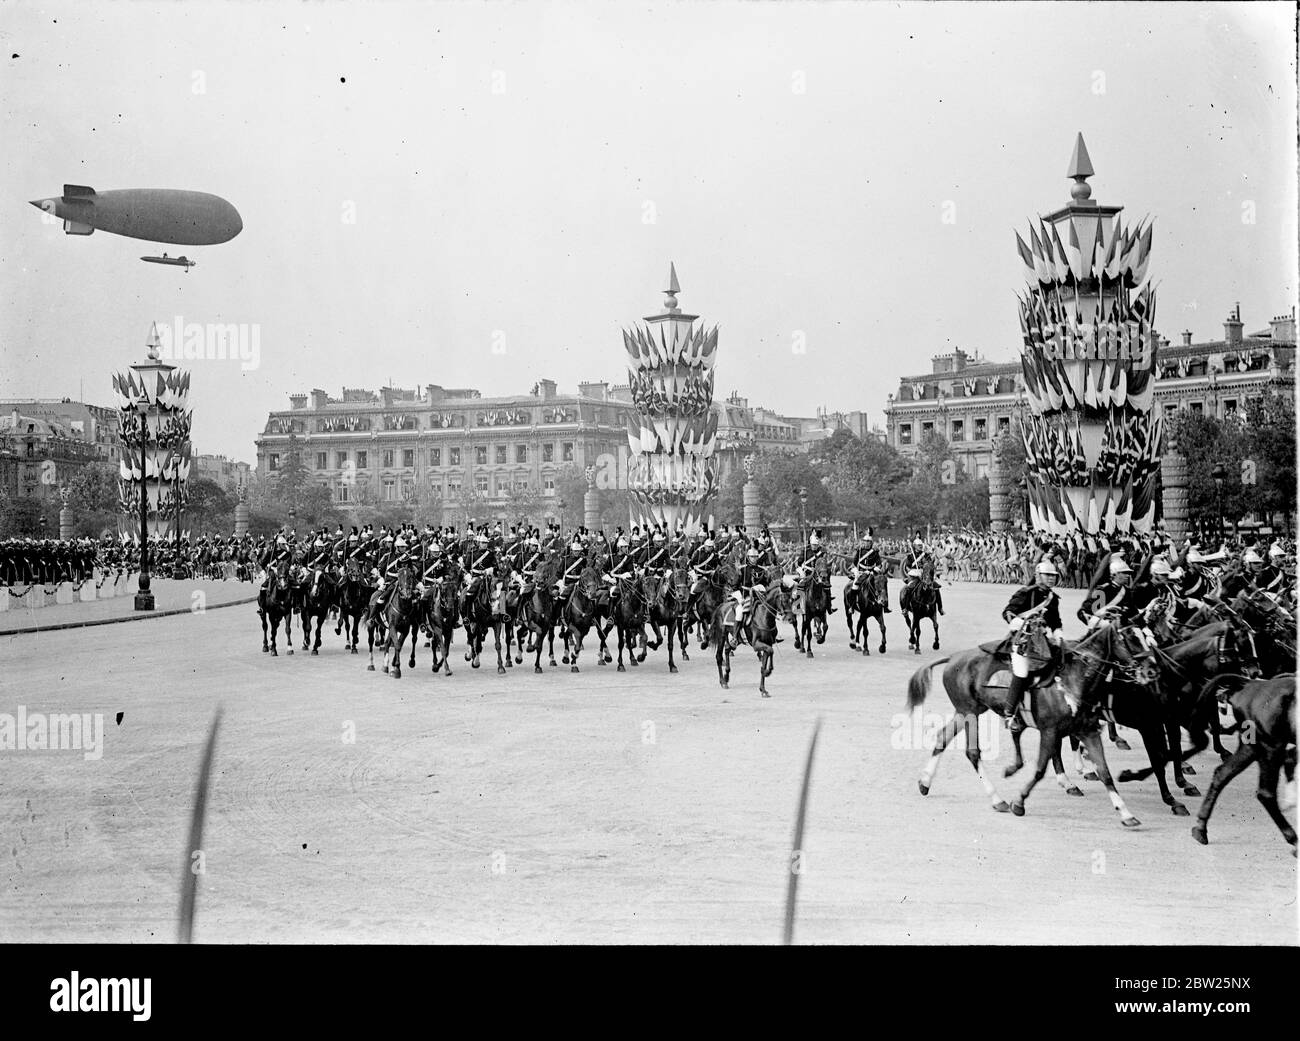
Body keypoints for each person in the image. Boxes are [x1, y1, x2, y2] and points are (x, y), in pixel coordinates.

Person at [1000, 559, 1064, 722]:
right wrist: (1024, 624)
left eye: (1053, 576)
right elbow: (1008, 613)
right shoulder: (1025, 592)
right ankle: (1009, 712)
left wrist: (1058, 634)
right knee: (1021, 671)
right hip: (1023, 640)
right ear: (1038, 575)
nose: (1051, 579)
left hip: (1045, 642)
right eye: (1047, 575)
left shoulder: (1053, 598)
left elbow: (1056, 621)